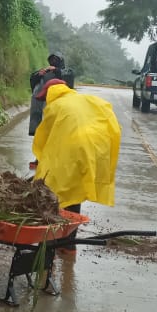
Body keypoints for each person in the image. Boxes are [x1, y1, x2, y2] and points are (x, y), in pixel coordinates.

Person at [31, 79, 121, 250]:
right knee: (75, 192)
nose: (45, 102)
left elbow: (43, 139)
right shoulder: (85, 99)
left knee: (52, 190)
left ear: (50, 93)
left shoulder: (55, 106)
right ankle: (69, 246)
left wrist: (40, 161)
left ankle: (49, 245)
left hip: (73, 149)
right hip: (95, 149)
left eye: (45, 98)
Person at [28, 52, 75, 136]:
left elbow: (69, 79)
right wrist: (39, 74)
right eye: (51, 60)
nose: (53, 62)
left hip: (61, 106)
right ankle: (37, 130)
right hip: (46, 105)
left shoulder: (68, 72)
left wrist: (56, 70)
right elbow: (33, 79)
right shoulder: (45, 72)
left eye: (56, 60)